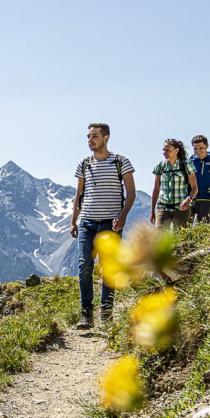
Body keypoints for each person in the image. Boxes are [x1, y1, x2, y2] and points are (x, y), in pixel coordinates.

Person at [70, 123, 136, 329]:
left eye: (95, 136)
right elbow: (79, 195)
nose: (91, 140)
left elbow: (131, 193)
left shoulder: (120, 162)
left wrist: (123, 216)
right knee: (84, 267)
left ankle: (106, 314)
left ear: (106, 138)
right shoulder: (83, 164)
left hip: (111, 224)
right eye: (89, 137)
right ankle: (86, 314)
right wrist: (74, 220)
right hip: (87, 223)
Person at [150, 139, 198, 230]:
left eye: (168, 149)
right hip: (163, 207)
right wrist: (152, 211)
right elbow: (156, 189)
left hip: (181, 208)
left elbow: (195, 187)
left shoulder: (186, 164)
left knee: (181, 237)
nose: (165, 152)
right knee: (160, 237)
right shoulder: (160, 165)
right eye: (164, 150)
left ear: (176, 150)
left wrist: (188, 200)